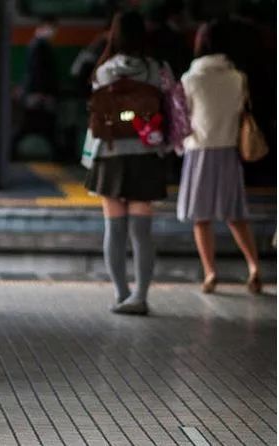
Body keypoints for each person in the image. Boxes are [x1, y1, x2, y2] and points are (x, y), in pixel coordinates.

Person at [84, 11, 169, 315]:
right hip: (145, 156)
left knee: (114, 230)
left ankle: (121, 295)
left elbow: (95, 114)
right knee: (142, 233)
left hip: (109, 156)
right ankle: (141, 297)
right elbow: (172, 105)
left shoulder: (103, 71)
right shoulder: (158, 69)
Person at [177, 21, 262, 294]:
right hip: (228, 152)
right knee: (235, 215)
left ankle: (211, 272)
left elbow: (183, 118)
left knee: (202, 218)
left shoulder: (190, 79)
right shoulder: (237, 77)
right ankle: (253, 267)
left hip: (199, 151)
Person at [11, 16, 60, 161]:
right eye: (52, 28)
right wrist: (40, 93)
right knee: (35, 125)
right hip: (38, 94)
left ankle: (13, 151)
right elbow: (37, 72)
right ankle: (12, 152)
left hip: (37, 93)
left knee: (36, 125)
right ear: (43, 27)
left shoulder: (37, 45)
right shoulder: (39, 46)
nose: (54, 32)